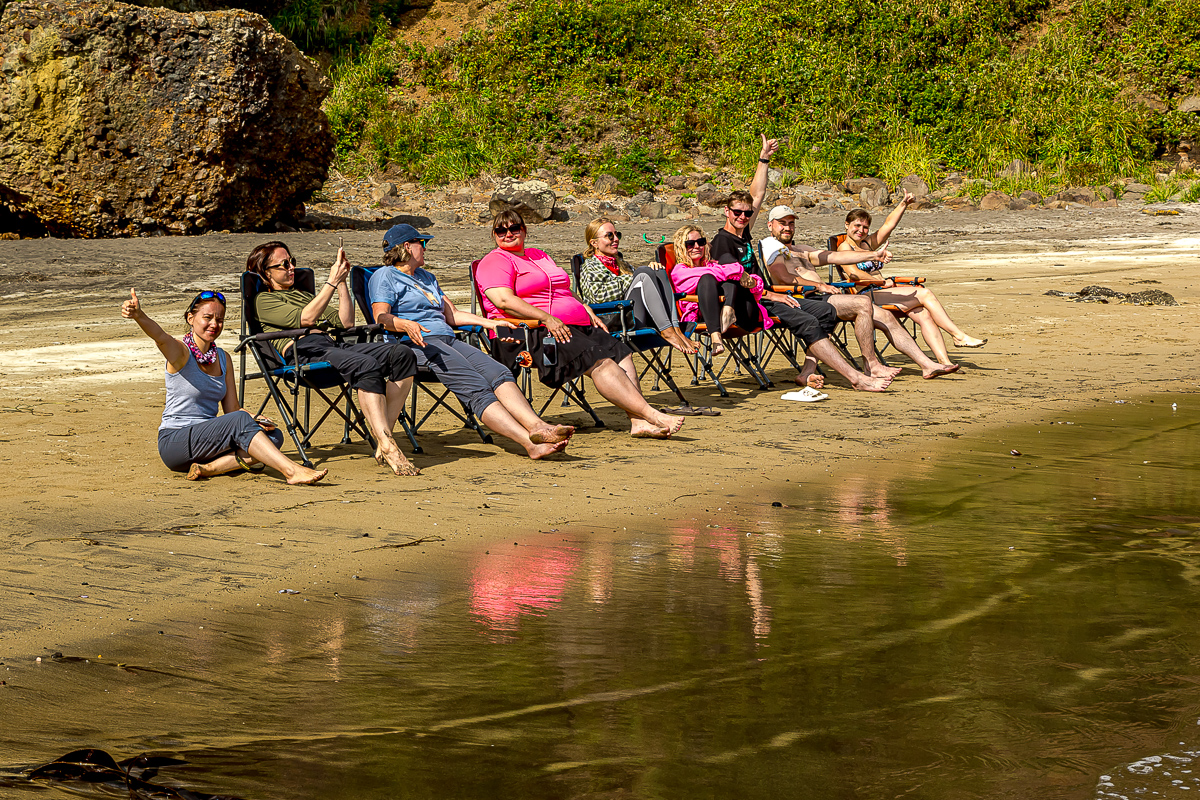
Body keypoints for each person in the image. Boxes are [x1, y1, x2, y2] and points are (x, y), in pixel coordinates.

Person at [368, 223, 573, 459]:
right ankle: (529, 443)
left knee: (499, 372)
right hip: (415, 343)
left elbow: (451, 315)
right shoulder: (384, 276)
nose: (426, 248)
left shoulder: (427, 277)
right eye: (422, 243)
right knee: (475, 385)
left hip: (446, 338)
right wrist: (405, 324)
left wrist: (491, 323)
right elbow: (380, 317)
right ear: (406, 247)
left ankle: (538, 427)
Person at [475, 209, 686, 439]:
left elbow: (563, 289)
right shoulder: (494, 261)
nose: (508, 233)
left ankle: (637, 421)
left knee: (621, 353)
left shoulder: (538, 255)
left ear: (524, 230)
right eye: (500, 230)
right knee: (599, 360)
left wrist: (586, 309)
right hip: (529, 333)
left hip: (569, 325)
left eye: (514, 228)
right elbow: (504, 301)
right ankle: (651, 414)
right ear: (494, 235)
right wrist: (547, 318)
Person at [705, 134, 893, 392]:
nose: (743, 216)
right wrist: (772, 293)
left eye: (747, 214)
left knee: (827, 312)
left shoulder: (743, 234)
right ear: (727, 212)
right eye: (737, 212)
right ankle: (857, 379)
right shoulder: (722, 242)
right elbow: (738, 278)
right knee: (808, 321)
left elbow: (757, 195)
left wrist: (764, 159)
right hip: (752, 306)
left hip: (769, 297)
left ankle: (810, 371)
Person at [247, 241, 421, 477]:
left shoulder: (303, 295)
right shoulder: (263, 301)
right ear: (266, 273)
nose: (291, 268)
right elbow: (307, 319)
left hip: (332, 346)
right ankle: (389, 446)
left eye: (293, 262)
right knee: (365, 365)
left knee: (401, 354)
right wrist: (329, 281)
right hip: (303, 353)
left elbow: (345, 322)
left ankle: (384, 437)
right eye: (284, 264)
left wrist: (340, 284)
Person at [121, 287, 327, 485]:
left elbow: (232, 410)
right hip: (175, 441)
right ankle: (292, 471)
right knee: (242, 424)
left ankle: (209, 468)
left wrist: (256, 419)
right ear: (190, 318)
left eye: (219, 320)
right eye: (208, 317)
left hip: (207, 444)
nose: (214, 324)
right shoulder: (180, 353)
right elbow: (160, 337)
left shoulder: (223, 358)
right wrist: (139, 315)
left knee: (273, 436)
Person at [760, 205, 961, 380]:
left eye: (791, 223)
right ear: (770, 225)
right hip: (804, 298)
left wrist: (874, 253)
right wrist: (819, 286)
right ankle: (871, 365)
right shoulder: (770, 245)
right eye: (782, 223)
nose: (787, 227)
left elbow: (835, 257)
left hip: (826, 297)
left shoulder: (801, 249)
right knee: (862, 304)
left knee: (886, 316)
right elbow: (784, 277)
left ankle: (926, 364)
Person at [838, 194, 988, 362]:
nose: (861, 230)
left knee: (924, 314)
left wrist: (903, 204)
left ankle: (944, 362)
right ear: (847, 225)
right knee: (925, 294)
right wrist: (881, 282)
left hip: (883, 291)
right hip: (867, 295)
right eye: (857, 225)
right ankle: (958, 336)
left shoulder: (866, 244)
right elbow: (854, 273)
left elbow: (889, 225)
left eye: (865, 227)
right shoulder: (844, 248)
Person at [576, 217, 697, 355]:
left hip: (637, 315)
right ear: (594, 243)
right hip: (616, 321)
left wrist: (651, 271)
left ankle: (676, 330)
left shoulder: (622, 264)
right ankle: (668, 331)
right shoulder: (589, 267)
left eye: (617, 234)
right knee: (643, 272)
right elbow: (598, 297)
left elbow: (641, 284)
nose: (616, 239)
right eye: (609, 236)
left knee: (657, 270)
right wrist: (633, 278)